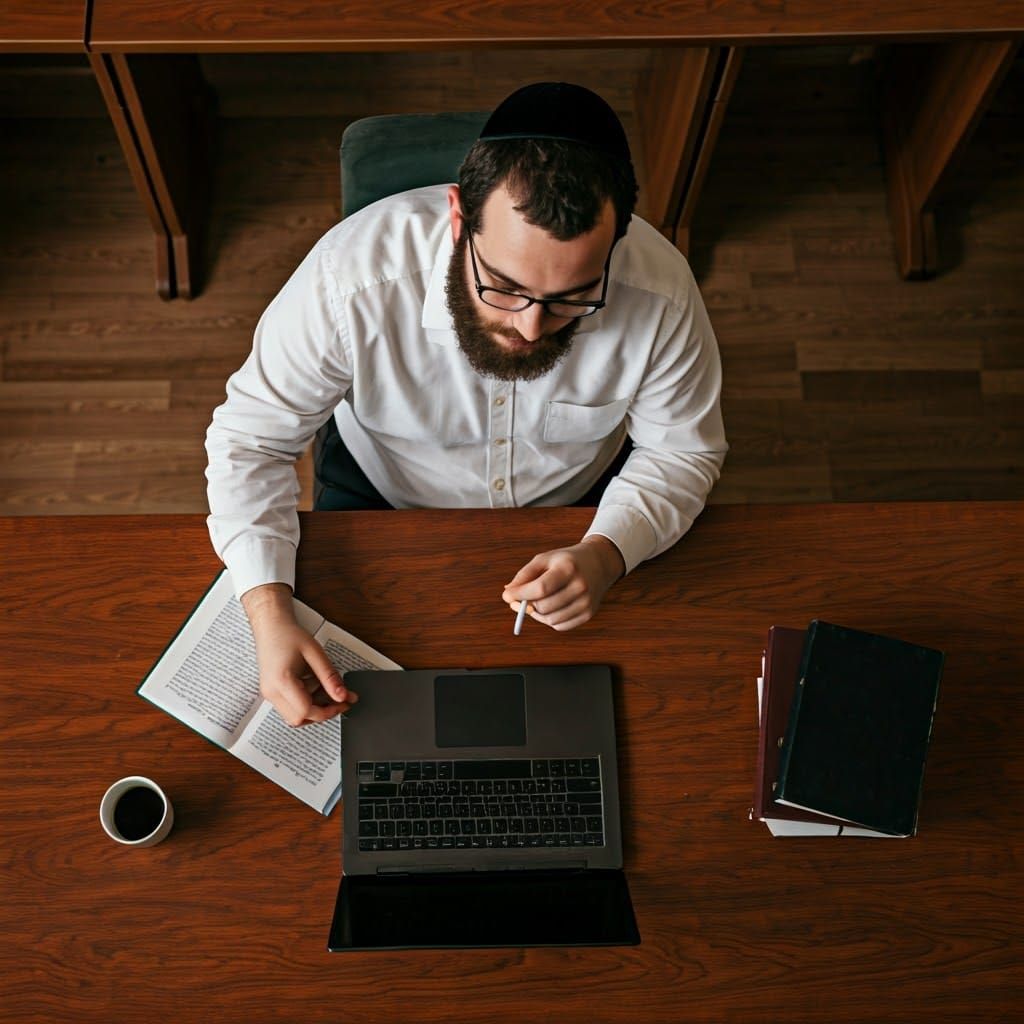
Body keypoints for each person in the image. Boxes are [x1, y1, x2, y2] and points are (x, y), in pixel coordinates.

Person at [206, 82, 727, 727]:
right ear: (458, 219)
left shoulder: (662, 292)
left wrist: (608, 551)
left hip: (582, 507)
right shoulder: (350, 279)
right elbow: (249, 441)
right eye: (504, 286)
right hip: (381, 492)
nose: (531, 328)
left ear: (616, 242)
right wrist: (267, 612)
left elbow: (682, 451)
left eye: (572, 297)